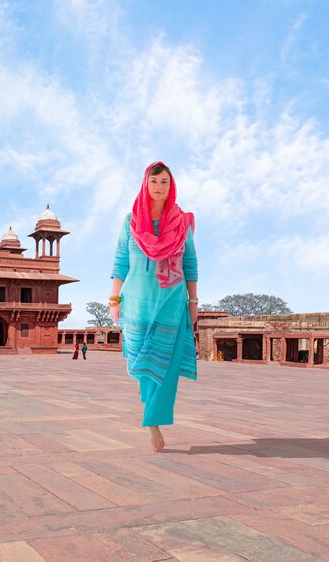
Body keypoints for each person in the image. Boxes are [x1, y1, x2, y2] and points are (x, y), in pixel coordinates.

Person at [110, 161, 198, 453]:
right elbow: (121, 262)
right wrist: (114, 299)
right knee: (141, 364)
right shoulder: (131, 221)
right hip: (135, 302)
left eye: (165, 182)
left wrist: (194, 301)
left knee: (165, 365)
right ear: (145, 184)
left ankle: (153, 422)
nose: (160, 187)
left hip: (171, 300)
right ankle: (151, 412)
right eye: (154, 181)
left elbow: (190, 264)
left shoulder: (181, 222)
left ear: (171, 186)